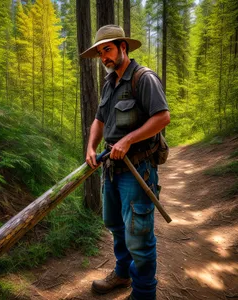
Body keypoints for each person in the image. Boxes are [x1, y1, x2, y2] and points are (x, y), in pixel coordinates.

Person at [80, 25, 170, 300]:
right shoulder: (110, 83)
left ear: (123, 47)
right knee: (116, 225)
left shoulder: (143, 78)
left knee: (139, 237)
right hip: (111, 170)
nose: (104, 56)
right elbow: (99, 119)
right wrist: (91, 147)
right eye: (99, 52)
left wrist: (129, 139)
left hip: (138, 169)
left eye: (107, 49)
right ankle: (122, 273)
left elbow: (162, 117)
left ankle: (143, 293)